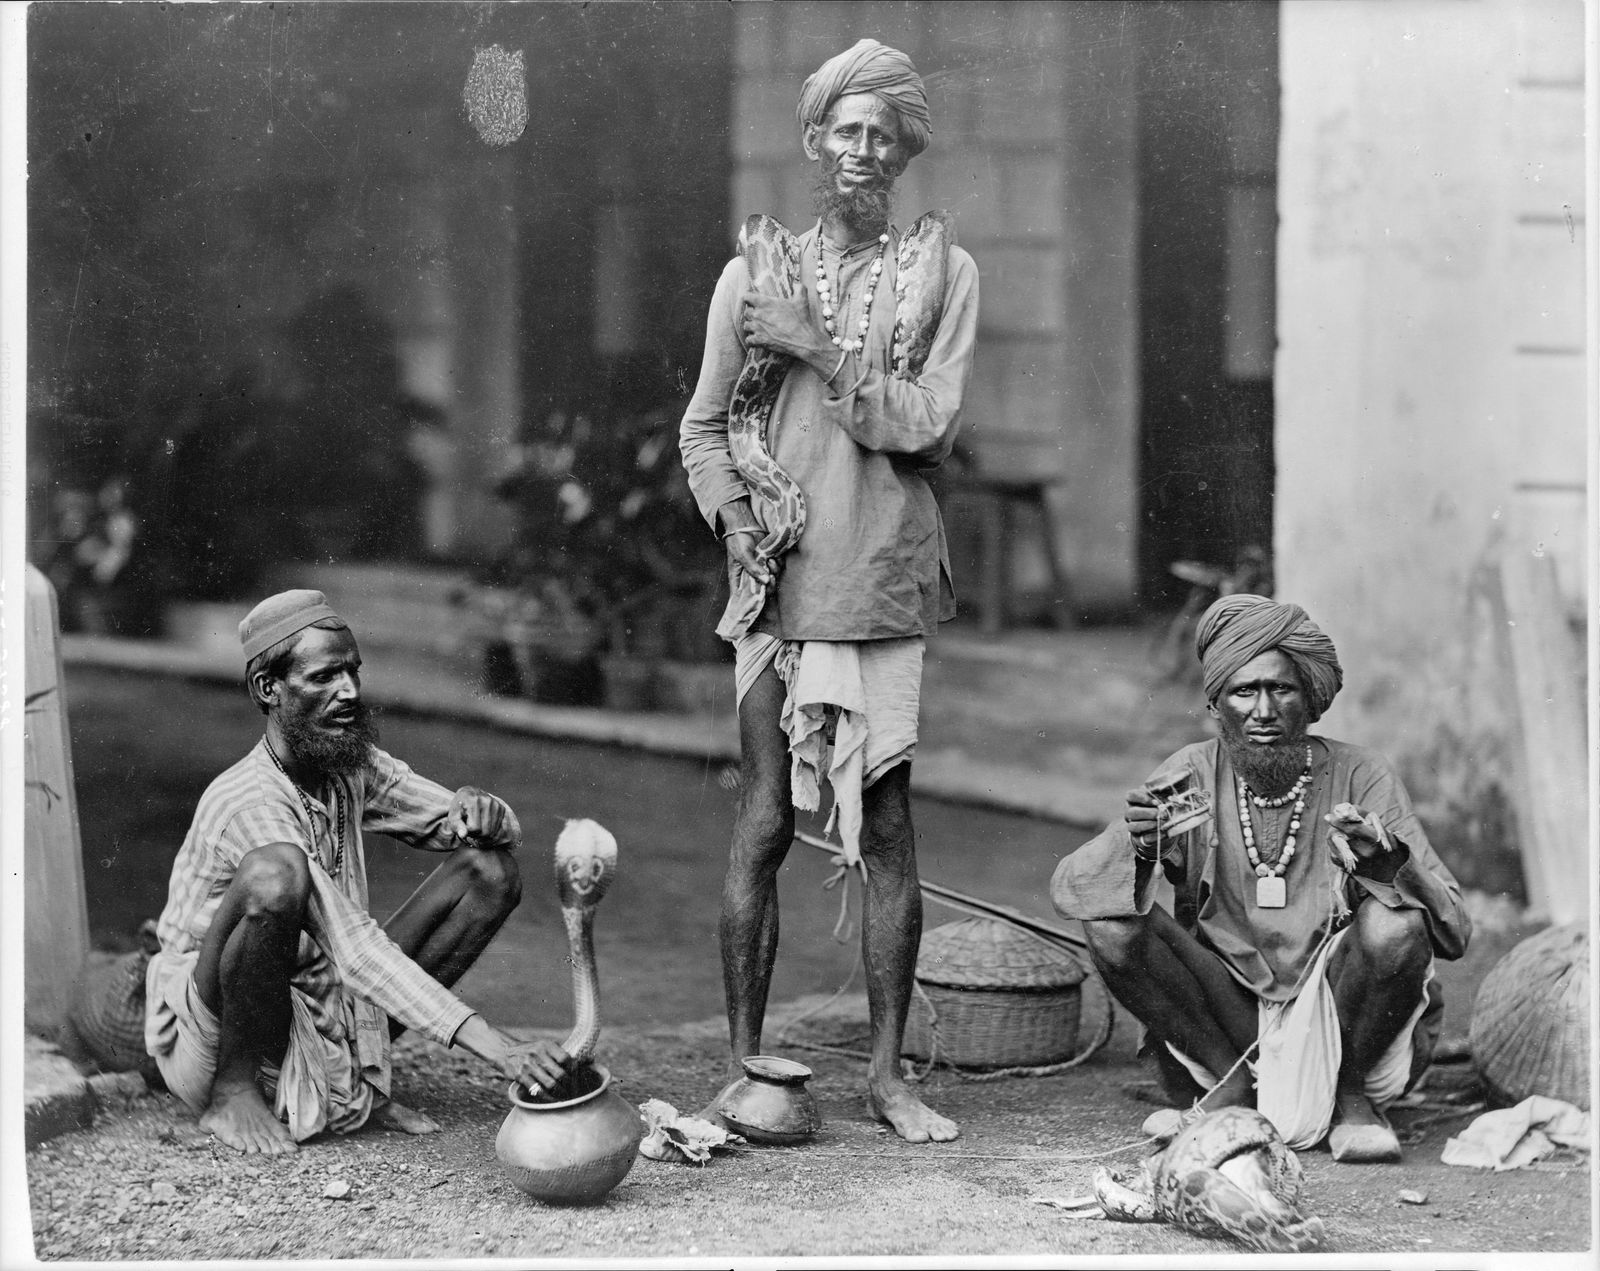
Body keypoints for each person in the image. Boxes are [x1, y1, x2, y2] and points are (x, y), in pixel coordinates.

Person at [678, 38, 979, 1143]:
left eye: (881, 133)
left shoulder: (945, 274)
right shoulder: (749, 276)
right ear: (815, 141)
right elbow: (703, 429)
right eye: (843, 130)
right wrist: (735, 515)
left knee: (888, 823)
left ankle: (890, 1076)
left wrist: (817, 347)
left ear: (903, 150)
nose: (861, 149)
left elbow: (927, 424)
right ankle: (745, 1062)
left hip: (885, 571)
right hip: (777, 579)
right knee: (761, 818)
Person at [144, 589, 570, 1155]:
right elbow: (354, 947)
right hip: (215, 1031)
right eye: (324, 677)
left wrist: (482, 810)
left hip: (313, 999)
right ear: (268, 689)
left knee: (489, 872)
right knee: (278, 873)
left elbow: (478, 829)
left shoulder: (347, 763)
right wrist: (500, 1049)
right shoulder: (248, 800)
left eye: (352, 672)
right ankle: (234, 1094)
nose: (348, 691)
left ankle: (349, 1072)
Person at [1052, 594, 1471, 1162]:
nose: (1264, 710)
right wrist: (1142, 847)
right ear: (1217, 703)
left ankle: (1350, 1097)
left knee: (1396, 929)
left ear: (1311, 699)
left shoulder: (1361, 773)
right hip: (1231, 1015)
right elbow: (1075, 890)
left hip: (1340, 1011)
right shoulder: (1191, 772)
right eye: (1244, 691)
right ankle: (1231, 1085)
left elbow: (1453, 930)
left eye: (1282, 689)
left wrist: (1385, 863)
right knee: (1112, 930)